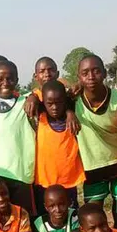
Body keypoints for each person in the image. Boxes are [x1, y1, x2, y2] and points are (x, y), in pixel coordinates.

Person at [74, 54, 117, 216]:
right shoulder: (72, 101)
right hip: (93, 168)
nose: (91, 76)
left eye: (96, 71)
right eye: (85, 73)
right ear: (79, 77)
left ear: (105, 73)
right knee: (93, 216)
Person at [0, 61, 37, 215]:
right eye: (0, 79)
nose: (5, 83)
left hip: (22, 175)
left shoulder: (26, 102)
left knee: (24, 217)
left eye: (10, 78)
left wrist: (34, 97)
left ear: (17, 80)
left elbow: (49, 93)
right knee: (2, 217)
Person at [33, 79, 85, 213]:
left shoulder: (73, 117)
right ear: (44, 102)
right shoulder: (39, 116)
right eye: (50, 104)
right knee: (47, 214)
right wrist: (32, 97)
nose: (54, 107)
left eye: (59, 103)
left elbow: (80, 90)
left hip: (68, 180)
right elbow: (33, 99)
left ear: (65, 101)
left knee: (70, 214)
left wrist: (70, 111)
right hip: (45, 180)